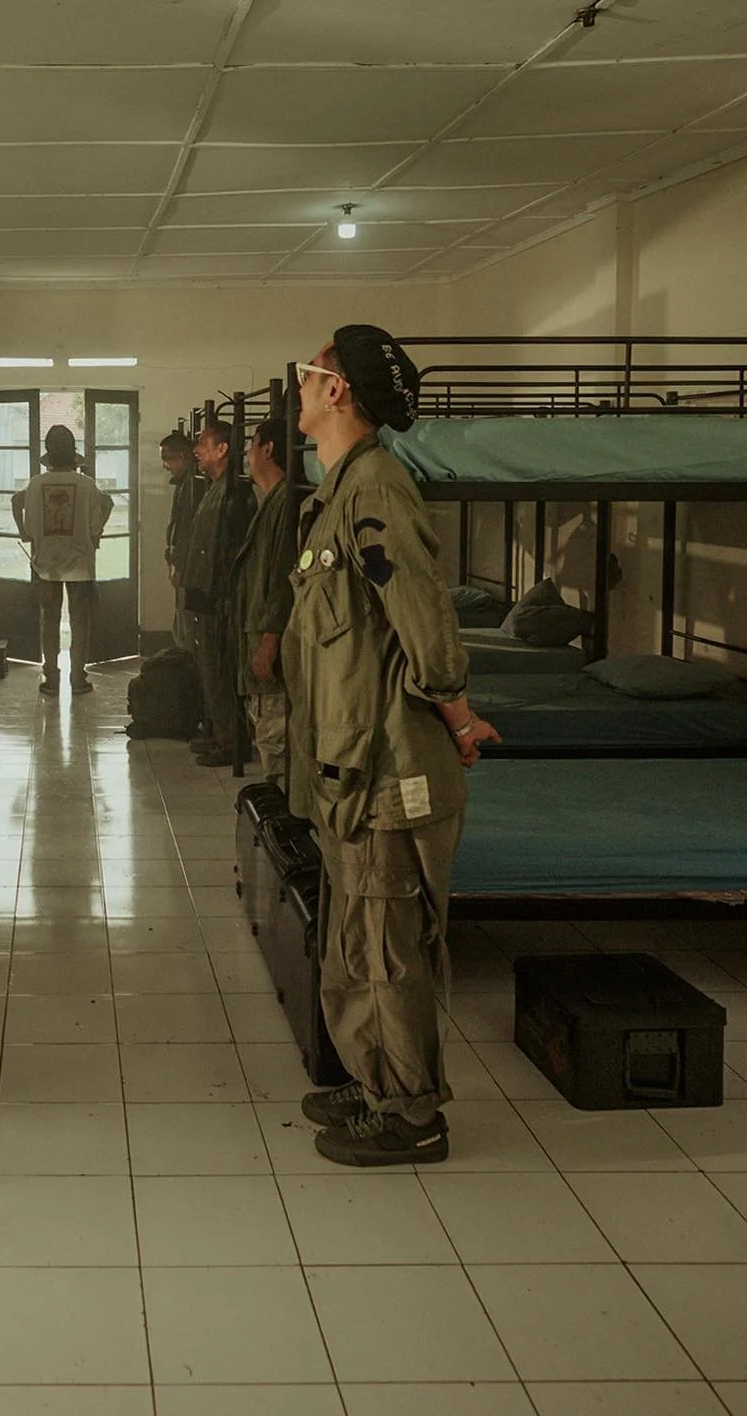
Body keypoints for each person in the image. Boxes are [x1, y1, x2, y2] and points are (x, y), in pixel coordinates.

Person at [283, 325, 499, 1167]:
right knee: (354, 935)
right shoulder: (338, 490)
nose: (298, 386)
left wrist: (459, 717)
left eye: (310, 373)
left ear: (338, 391)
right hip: (348, 764)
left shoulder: (376, 490)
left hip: (387, 766)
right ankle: (374, 1079)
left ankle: (414, 1115)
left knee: (390, 943)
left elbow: (423, 622)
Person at [12, 423, 113, 696]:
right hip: (81, 563)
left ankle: (51, 680)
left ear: (47, 453)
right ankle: (78, 679)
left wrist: (24, 532)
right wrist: (96, 533)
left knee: (49, 620)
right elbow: (96, 523)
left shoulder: (36, 484)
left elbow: (29, 524)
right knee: (80, 621)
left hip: (46, 563)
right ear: (73, 455)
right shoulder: (87, 485)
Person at [230, 415, 298, 785]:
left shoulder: (285, 503)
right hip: (257, 633)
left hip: (268, 639)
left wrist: (270, 638)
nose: (247, 454)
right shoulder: (271, 502)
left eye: (251, 445)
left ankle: (287, 828)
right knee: (267, 730)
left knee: (276, 740)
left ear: (268, 449)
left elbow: (284, 577)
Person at [182, 418, 254, 766]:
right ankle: (219, 731)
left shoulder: (235, 493)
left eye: (203, 443)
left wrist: (225, 599)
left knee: (221, 669)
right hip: (202, 592)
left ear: (222, 449)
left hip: (218, 596)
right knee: (209, 668)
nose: (196, 450)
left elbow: (233, 551)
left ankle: (231, 741)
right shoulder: (212, 488)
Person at [160, 430, 205, 653]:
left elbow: (188, 530)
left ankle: (188, 673)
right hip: (184, 564)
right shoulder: (186, 484)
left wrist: (178, 564)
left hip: (188, 568)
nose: (165, 466)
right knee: (183, 622)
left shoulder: (194, 486)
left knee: (186, 627)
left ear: (182, 457)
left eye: (167, 459)